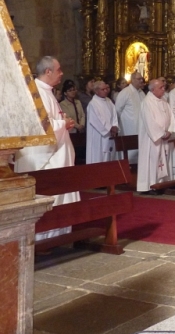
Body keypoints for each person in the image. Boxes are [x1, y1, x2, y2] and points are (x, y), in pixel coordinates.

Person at [15, 56, 79, 239]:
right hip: (47, 160)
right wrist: (62, 124)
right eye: (59, 70)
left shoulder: (47, 91)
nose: (62, 73)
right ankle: (45, 238)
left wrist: (63, 121)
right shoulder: (35, 92)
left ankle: (58, 234)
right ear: (48, 71)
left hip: (58, 157)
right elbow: (38, 125)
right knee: (49, 196)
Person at [137, 78, 175, 193]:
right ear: (153, 89)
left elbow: (171, 117)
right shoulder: (147, 102)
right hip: (152, 139)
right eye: (161, 88)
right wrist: (162, 133)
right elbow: (150, 122)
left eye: (164, 87)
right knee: (153, 161)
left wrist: (170, 130)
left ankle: (161, 183)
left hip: (164, 138)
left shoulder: (163, 101)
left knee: (163, 161)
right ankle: (150, 185)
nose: (164, 89)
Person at [115, 72, 145, 163]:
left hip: (141, 127)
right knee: (129, 153)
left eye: (141, 79)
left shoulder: (142, 93)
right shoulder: (125, 92)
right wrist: (117, 126)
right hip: (128, 128)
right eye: (139, 79)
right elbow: (117, 110)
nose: (141, 81)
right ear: (132, 80)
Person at [86, 81, 119, 163]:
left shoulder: (109, 101)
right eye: (103, 89)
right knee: (99, 158)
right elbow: (96, 120)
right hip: (99, 136)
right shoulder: (93, 104)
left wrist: (115, 126)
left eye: (106, 88)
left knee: (109, 157)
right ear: (96, 91)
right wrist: (109, 128)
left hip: (110, 135)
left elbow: (114, 115)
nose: (106, 91)